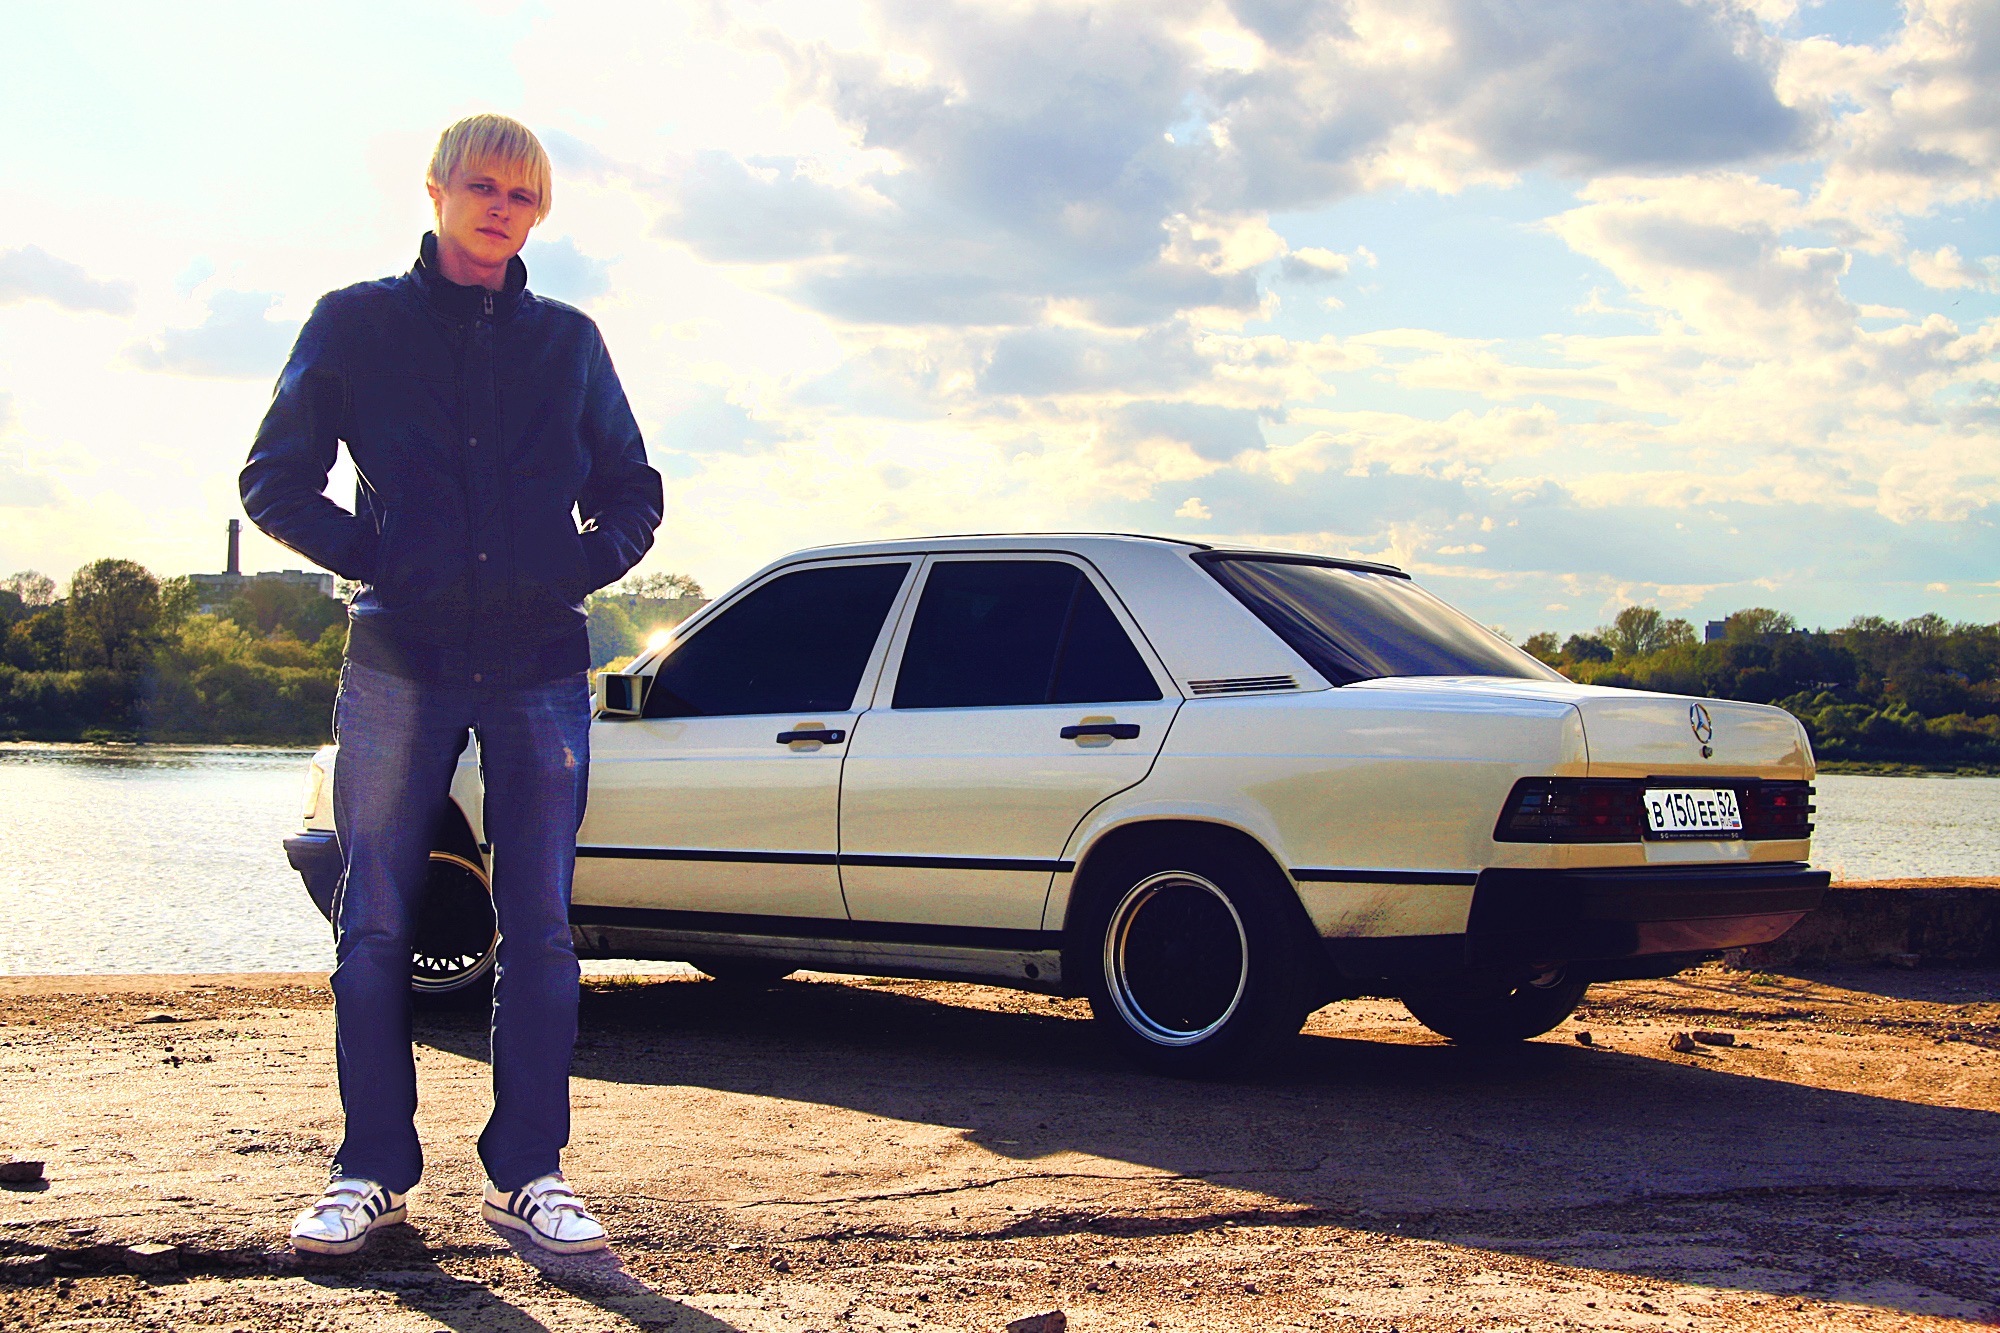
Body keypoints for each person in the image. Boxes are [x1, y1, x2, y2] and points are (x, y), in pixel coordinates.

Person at [240, 113, 663, 1256]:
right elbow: (273, 480)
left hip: (537, 662)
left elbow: (632, 488)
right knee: (376, 919)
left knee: (541, 927)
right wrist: (383, 559)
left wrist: (572, 567)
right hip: (399, 655)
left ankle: (529, 1172)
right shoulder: (354, 322)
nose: (499, 208)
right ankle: (368, 1169)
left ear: (538, 213)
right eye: (481, 186)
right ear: (434, 191)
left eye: (521, 196)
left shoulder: (568, 340)